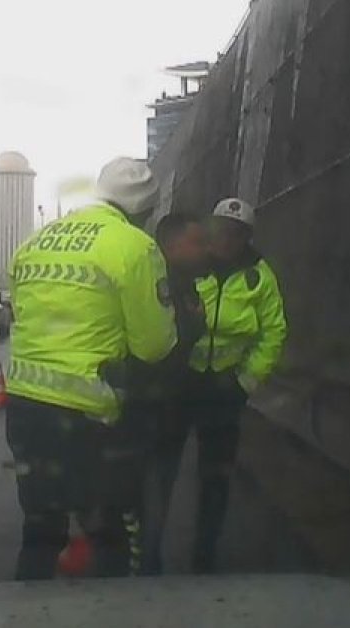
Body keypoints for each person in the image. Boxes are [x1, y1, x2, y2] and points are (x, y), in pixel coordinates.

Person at [4, 157, 178, 580]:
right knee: (110, 533)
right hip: (89, 416)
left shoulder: (35, 241)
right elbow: (154, 346)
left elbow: (18, 312)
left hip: (24, 407)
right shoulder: (134, 246)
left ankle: (24, 611)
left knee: (41, 530)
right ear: (145, 210)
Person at [154, 197, 288, 574]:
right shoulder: (191, 267)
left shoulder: (259, 276)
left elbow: (273, 331)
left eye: (235, 233)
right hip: (182, 383)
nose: (225, 239)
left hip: (225, 389)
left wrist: (246, 381)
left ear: (246, 237)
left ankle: (204, 556)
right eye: (220, 230)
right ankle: (148, 551)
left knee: (216, 476)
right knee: (163, 467)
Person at [123, 212, 212, 575]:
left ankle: (143, 564)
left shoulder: (188, 282)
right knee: (141, 498)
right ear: (172, 245)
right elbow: (159, 342)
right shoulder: (156, 283)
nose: (205, 249)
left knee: (152, 497)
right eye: (197, 242)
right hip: (144, 411)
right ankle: (140, 571)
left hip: (170, 413)